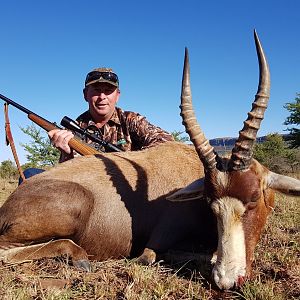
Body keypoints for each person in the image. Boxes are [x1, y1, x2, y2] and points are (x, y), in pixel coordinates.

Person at [19, 67, 174, 183]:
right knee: (29, 175)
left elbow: (167, 143)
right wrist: (67, 153)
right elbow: (67, 177)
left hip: (129, 188)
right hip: (91, 187)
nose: (102, 97)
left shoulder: (131, 120)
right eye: (96, 90)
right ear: (85, 94)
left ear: (117, 96)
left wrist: (128, 163)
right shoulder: (74, 129)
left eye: (108, 91)